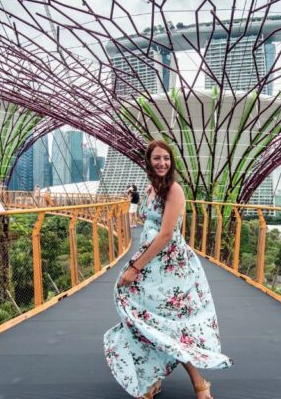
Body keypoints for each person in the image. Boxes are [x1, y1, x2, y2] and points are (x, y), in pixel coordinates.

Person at [104, 140, 232, 399]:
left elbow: (166, 235)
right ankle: (153, 380)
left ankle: (199, 383)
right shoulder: (151, 190)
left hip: (171, 267)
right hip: (151, 265)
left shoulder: (174, 190)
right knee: (147, 320)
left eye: (166, 158)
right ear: (148, 162)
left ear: (171, 162)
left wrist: (134, 268)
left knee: (170, 325)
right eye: (156, 158)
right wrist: (139, 264)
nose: (162, 163)